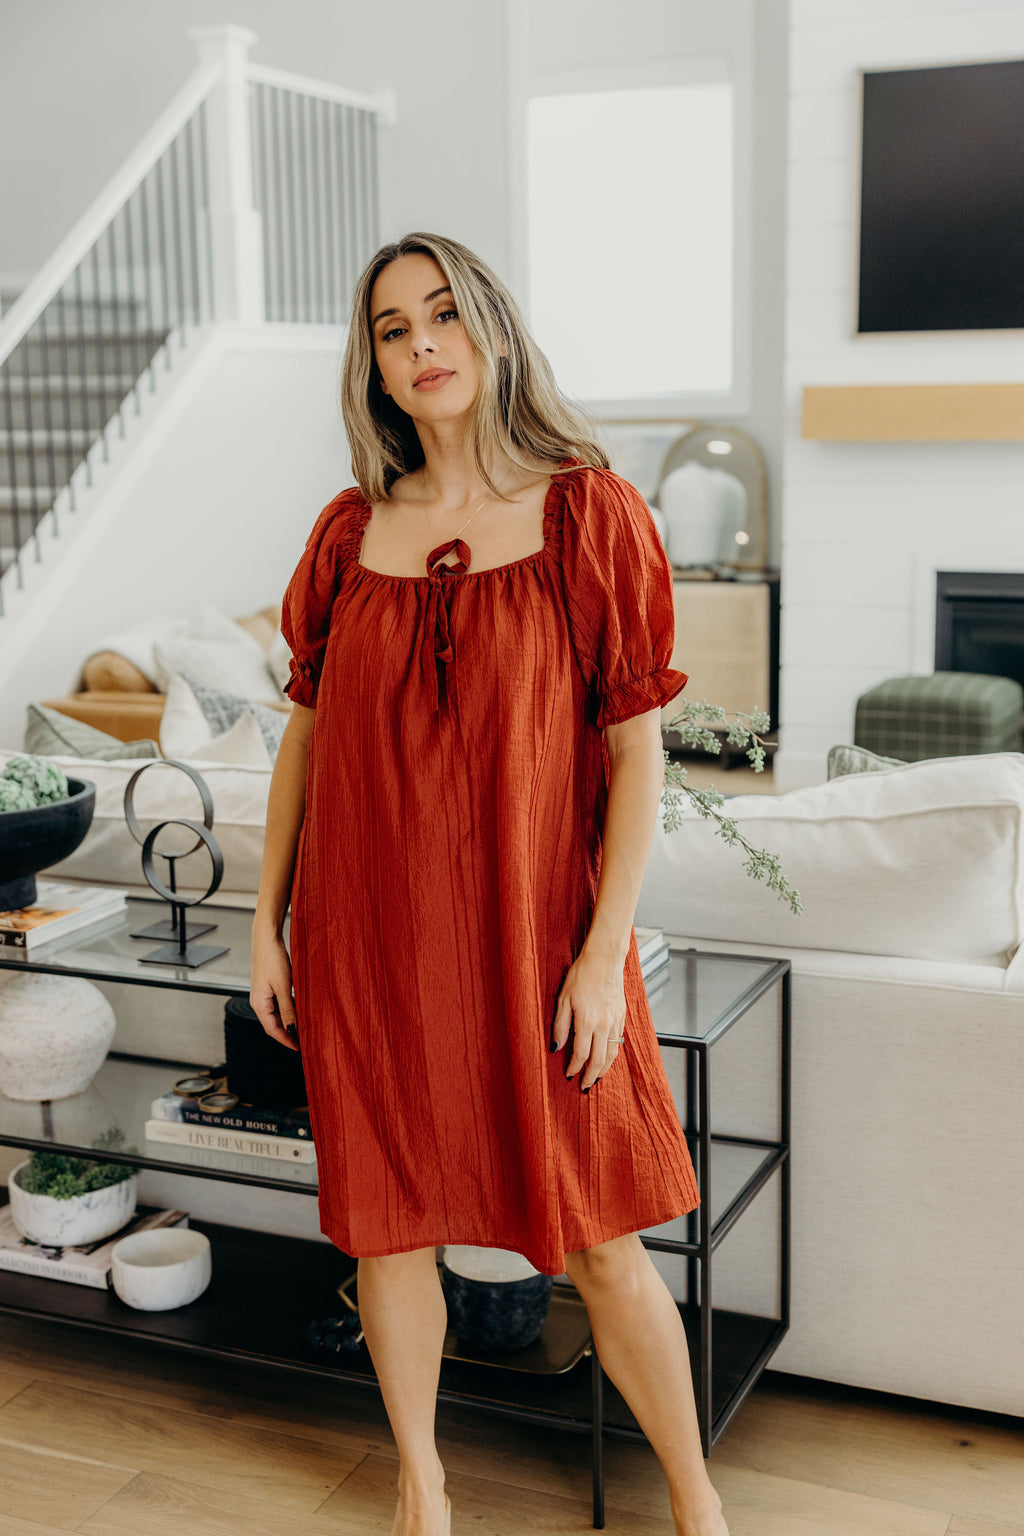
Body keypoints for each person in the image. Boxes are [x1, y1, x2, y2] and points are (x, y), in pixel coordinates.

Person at [250, 231, 730, 1536]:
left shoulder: (589, 511)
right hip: (368, 938)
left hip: (538, 940)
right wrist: (265, 921)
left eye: (444, 315)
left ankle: (697, 1502)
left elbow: (638, 750)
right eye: (395, 329)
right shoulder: (349, 535)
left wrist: (601, 950)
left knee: (599, 1236)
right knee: (389, 1225)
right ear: (378, 369)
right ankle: (423, 1481)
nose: (423, 346)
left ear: (497, 332)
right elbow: (306, 735)